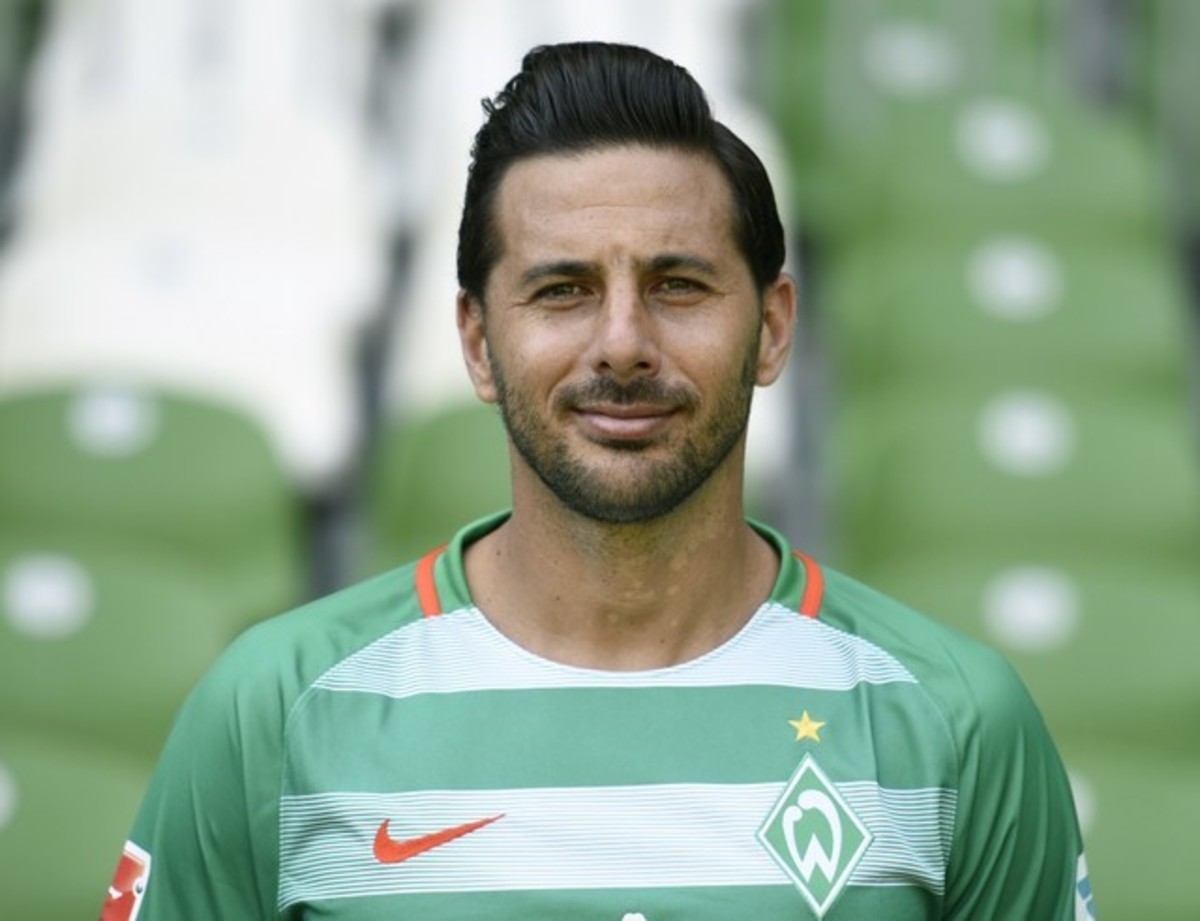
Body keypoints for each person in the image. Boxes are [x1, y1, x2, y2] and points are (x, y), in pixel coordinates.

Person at [103, 41, 1093, 920]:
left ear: (773, 328)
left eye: (678, 285)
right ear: (478, 343)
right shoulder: (274, 712)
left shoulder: (957, 723)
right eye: (563, 290)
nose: (622, 343)